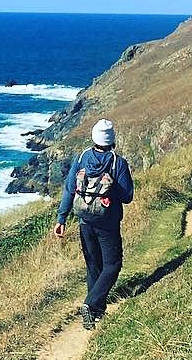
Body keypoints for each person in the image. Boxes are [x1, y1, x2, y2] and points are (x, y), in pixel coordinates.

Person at [53, 119, 134, 330]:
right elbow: (127, 196)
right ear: (112, 139)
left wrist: (61, 218)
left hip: (84, 221)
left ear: (94, 138)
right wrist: (110, 190)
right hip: (107, 223)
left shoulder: (81, 158)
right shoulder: (118, 163)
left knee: (94, 266)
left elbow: (70, 189)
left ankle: (94, 312)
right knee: (113, 265)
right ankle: (91, 304)